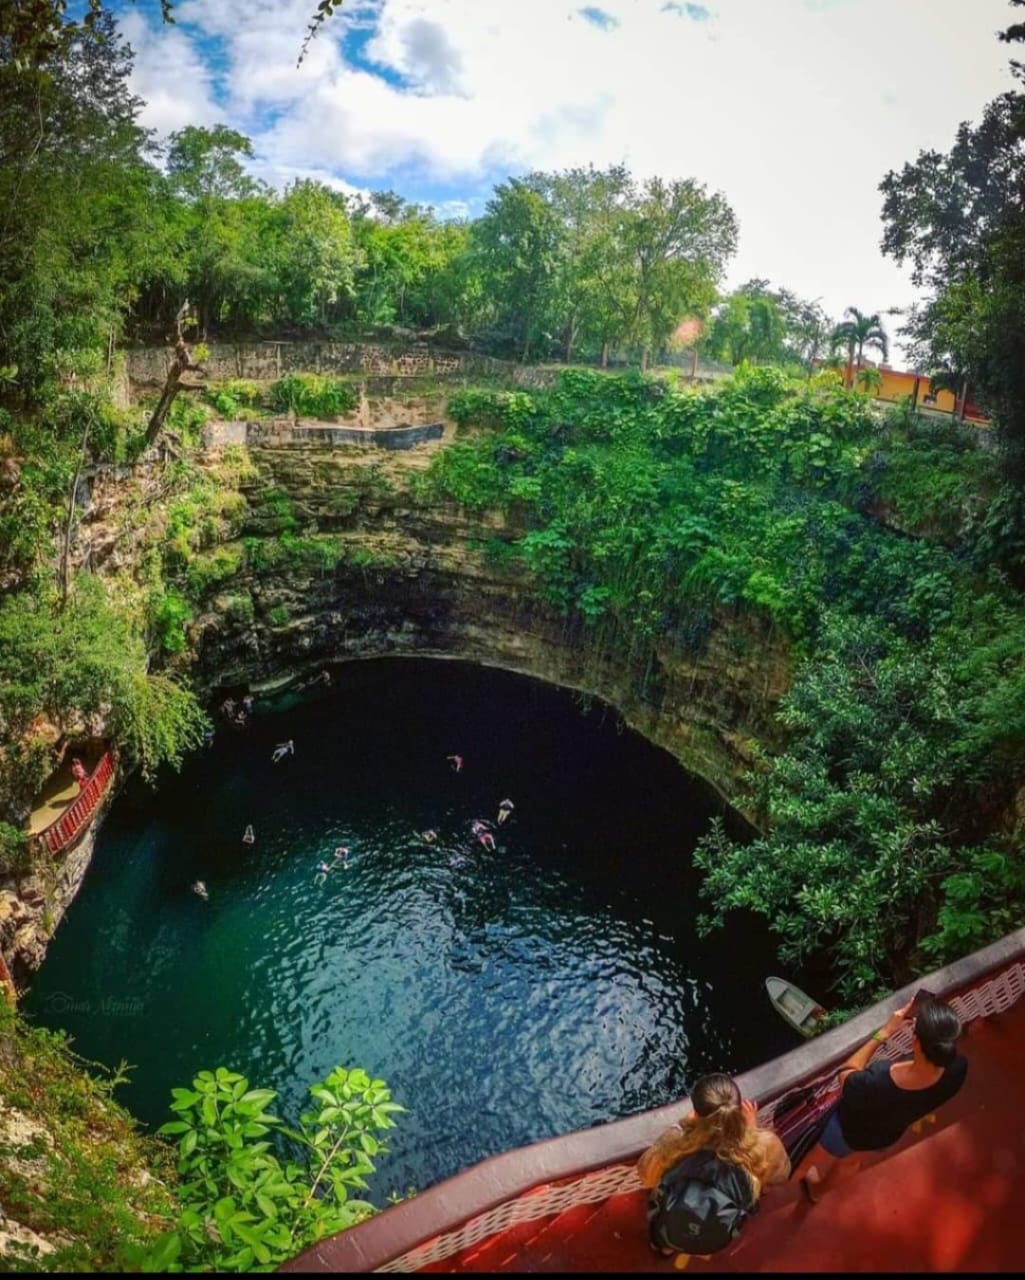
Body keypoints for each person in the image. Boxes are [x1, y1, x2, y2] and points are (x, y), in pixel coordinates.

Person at [800, 994, 966, 1203]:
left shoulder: (879, 1080)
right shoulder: (958, 1070)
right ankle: (817, 1192)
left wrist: (884, 1032)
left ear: (915, 1042)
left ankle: (767, 1185)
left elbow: (846, 1072)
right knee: (851, 1162)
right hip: (885, 1135)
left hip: (846, 1129)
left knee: (809, 1159)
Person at [638, 1074, 790, 1256]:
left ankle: (665, 1248)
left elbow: (646, 1175)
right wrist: (752, 1131)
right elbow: (782, 1174)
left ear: (695, 1112)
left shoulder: (673, 1145)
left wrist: (678, 1127)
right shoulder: (765, 1146)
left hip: (672, 1220)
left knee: (664, 1231)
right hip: (715, 1236)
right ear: (738, 1109)